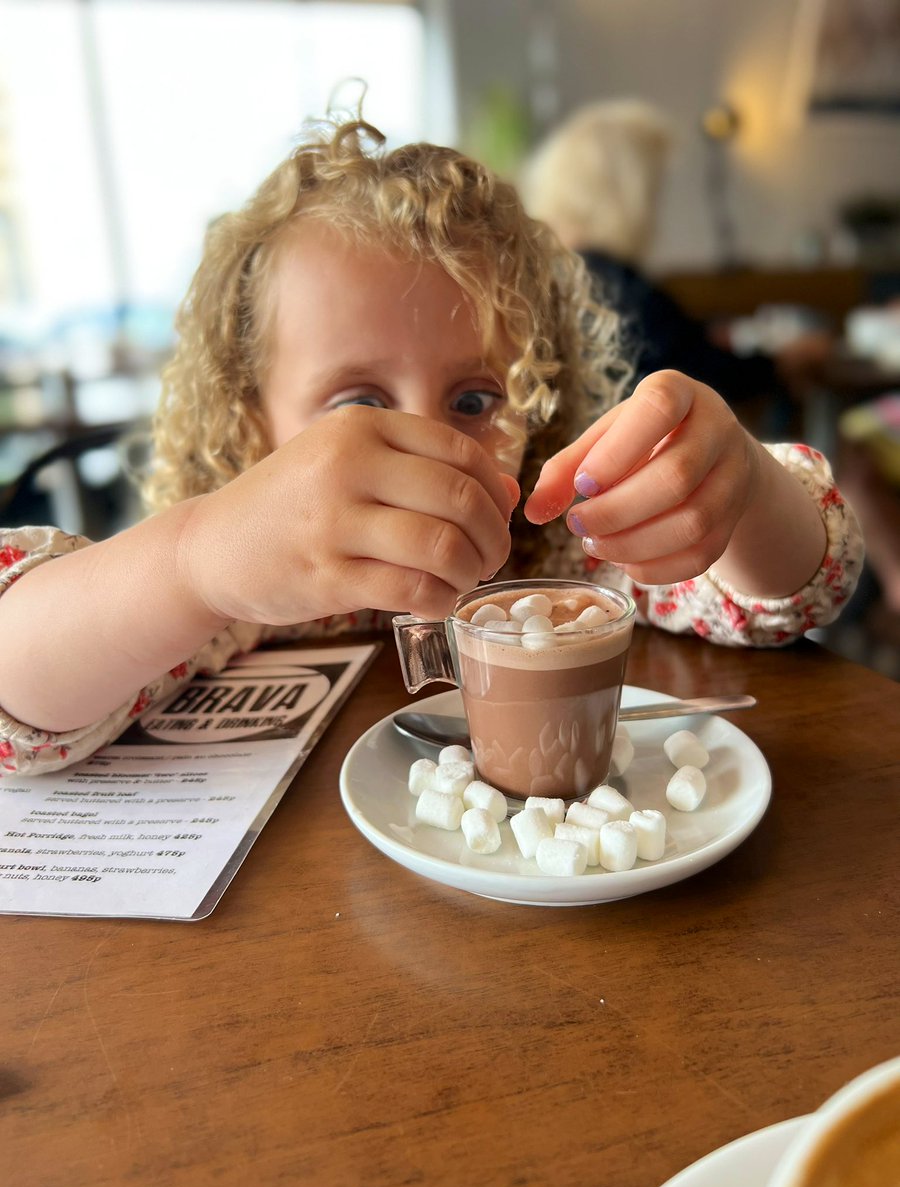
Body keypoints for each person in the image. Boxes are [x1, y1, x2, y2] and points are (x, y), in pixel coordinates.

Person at [0, 116, 863, 776]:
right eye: (358, 401)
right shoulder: (234, 602)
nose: (426, 444)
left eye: (475, 398)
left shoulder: (553, 556)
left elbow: (794, 591)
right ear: (250, 418)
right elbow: (20, 697)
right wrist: (197, 560)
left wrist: (737, 488)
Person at [519, 99, 829, 409]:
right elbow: (700, 377)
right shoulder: (616, 288)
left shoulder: (558, 274)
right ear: (626, 195)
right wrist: (784, 361)